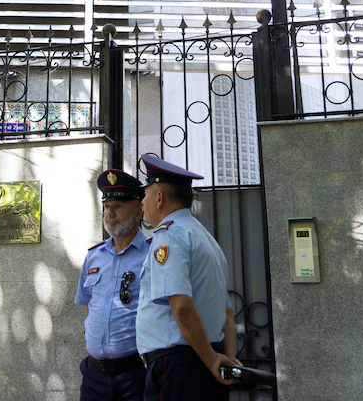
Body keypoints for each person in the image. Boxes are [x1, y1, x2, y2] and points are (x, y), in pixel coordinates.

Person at [136, 154, 243, 400]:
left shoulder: (169, 236)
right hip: (205, 361)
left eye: (146, 194)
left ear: (159, 198)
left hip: (178, 367)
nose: (142, 202)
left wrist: (213, 360)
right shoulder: (206, 238)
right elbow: (227, 314)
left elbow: (182, 305)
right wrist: (226, 359)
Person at [74, 168, 149, 401]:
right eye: (106, 206)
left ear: (138, 212)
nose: (110, 214)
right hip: (95, 375)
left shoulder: (153, 253)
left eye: (118, 207)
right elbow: (90, 305)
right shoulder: (93, 256)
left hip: (136, 373)